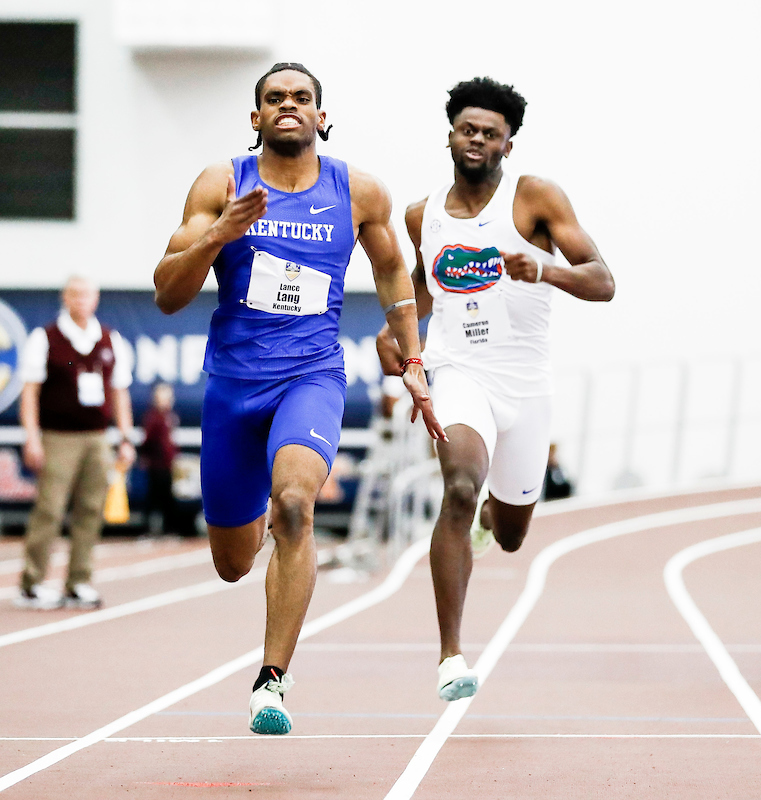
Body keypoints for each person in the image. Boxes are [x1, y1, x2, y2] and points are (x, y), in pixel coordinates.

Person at [154, 63, 443, 735]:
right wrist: (218, 234)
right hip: (233, 385)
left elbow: (393, 268)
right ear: (255, 117)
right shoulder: (220, 183)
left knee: (295, 504)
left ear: (321, 115)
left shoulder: (357, 190)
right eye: (274, 98)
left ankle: (271, 681)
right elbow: (168, 293)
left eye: (301, 98)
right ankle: (255, 518)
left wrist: (412, 351)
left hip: (311, 375)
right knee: (231, 564)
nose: (288, 105)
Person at [377, 76, 614, 702]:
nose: (477, 139)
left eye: (491, 133)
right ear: (451, 135)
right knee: (457, 485)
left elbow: (603, 281)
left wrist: (545, 268)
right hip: (460, 372)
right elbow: (424, 291)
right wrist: (397, 339)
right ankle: (450, 657)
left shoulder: (534, 197)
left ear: (508, 145)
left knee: (511, 533)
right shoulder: (420, 214)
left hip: (526, 384)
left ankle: (490, 519)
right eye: (468, 129)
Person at [16, 276, 136, 610]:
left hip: (97, 438)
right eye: (75, 294)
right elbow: (30, 393)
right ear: (65, 298)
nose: (81, 300)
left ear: (96, 299)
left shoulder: (111, 340)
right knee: (50, 509)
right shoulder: (46, 338)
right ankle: (31, 582)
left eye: (87, 294)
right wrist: (32, 438)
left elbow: (120, 391)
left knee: (91, 509)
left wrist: (125, 436)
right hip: (58, 437)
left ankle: (78, 581)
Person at [139, 382, 181, 535]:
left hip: (167, 464)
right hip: (156, 465)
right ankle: (150, 529)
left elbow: (171, 442)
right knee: (153, 498)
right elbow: (148, 440)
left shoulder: (170, 417)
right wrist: (146, 456)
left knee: (167, 498)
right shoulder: (153, 418)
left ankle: (169, 529)